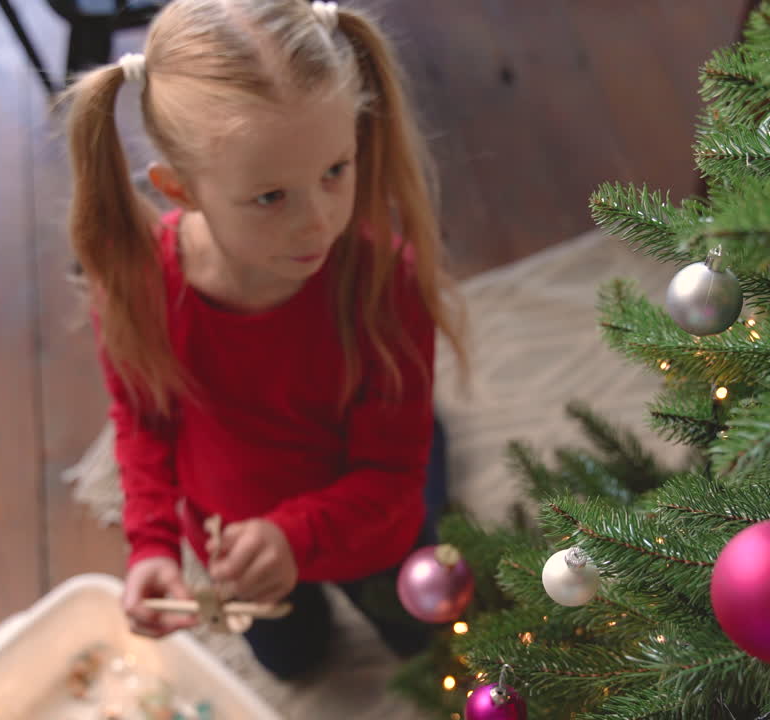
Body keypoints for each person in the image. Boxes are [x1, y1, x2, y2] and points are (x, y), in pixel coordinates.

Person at [62, 0, 468, 680]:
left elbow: (388, 484)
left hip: (367, 523)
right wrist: (154, 545)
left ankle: (434, 446)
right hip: (234, 542)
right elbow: (143, 421)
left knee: (426, 649)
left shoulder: (382, 285)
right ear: (179, 188)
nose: (318, 223)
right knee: (294, 663)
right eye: (271, 197)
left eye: (336, 170)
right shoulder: (139, 288)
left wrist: (296, 535)